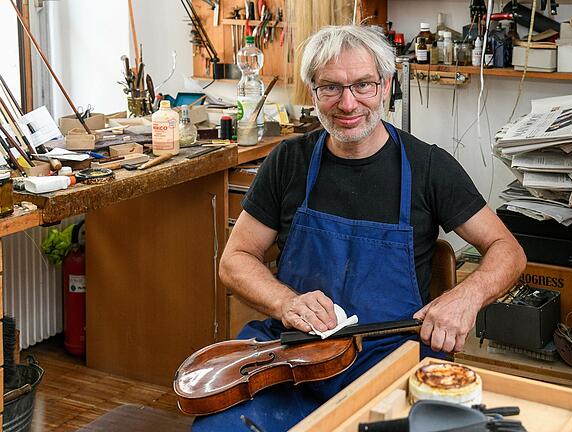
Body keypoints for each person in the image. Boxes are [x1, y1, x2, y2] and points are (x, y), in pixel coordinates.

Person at [192, 24, 526, 432]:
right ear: (313, 93)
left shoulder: (429, 168)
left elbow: (507, 249)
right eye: (330, 87)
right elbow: (235, 260)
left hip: (389, 358)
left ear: (386, 85)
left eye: (363, 85)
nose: (347, 104)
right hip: (293, 359)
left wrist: (465, 298)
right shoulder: (289, 161)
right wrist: (285, 303)